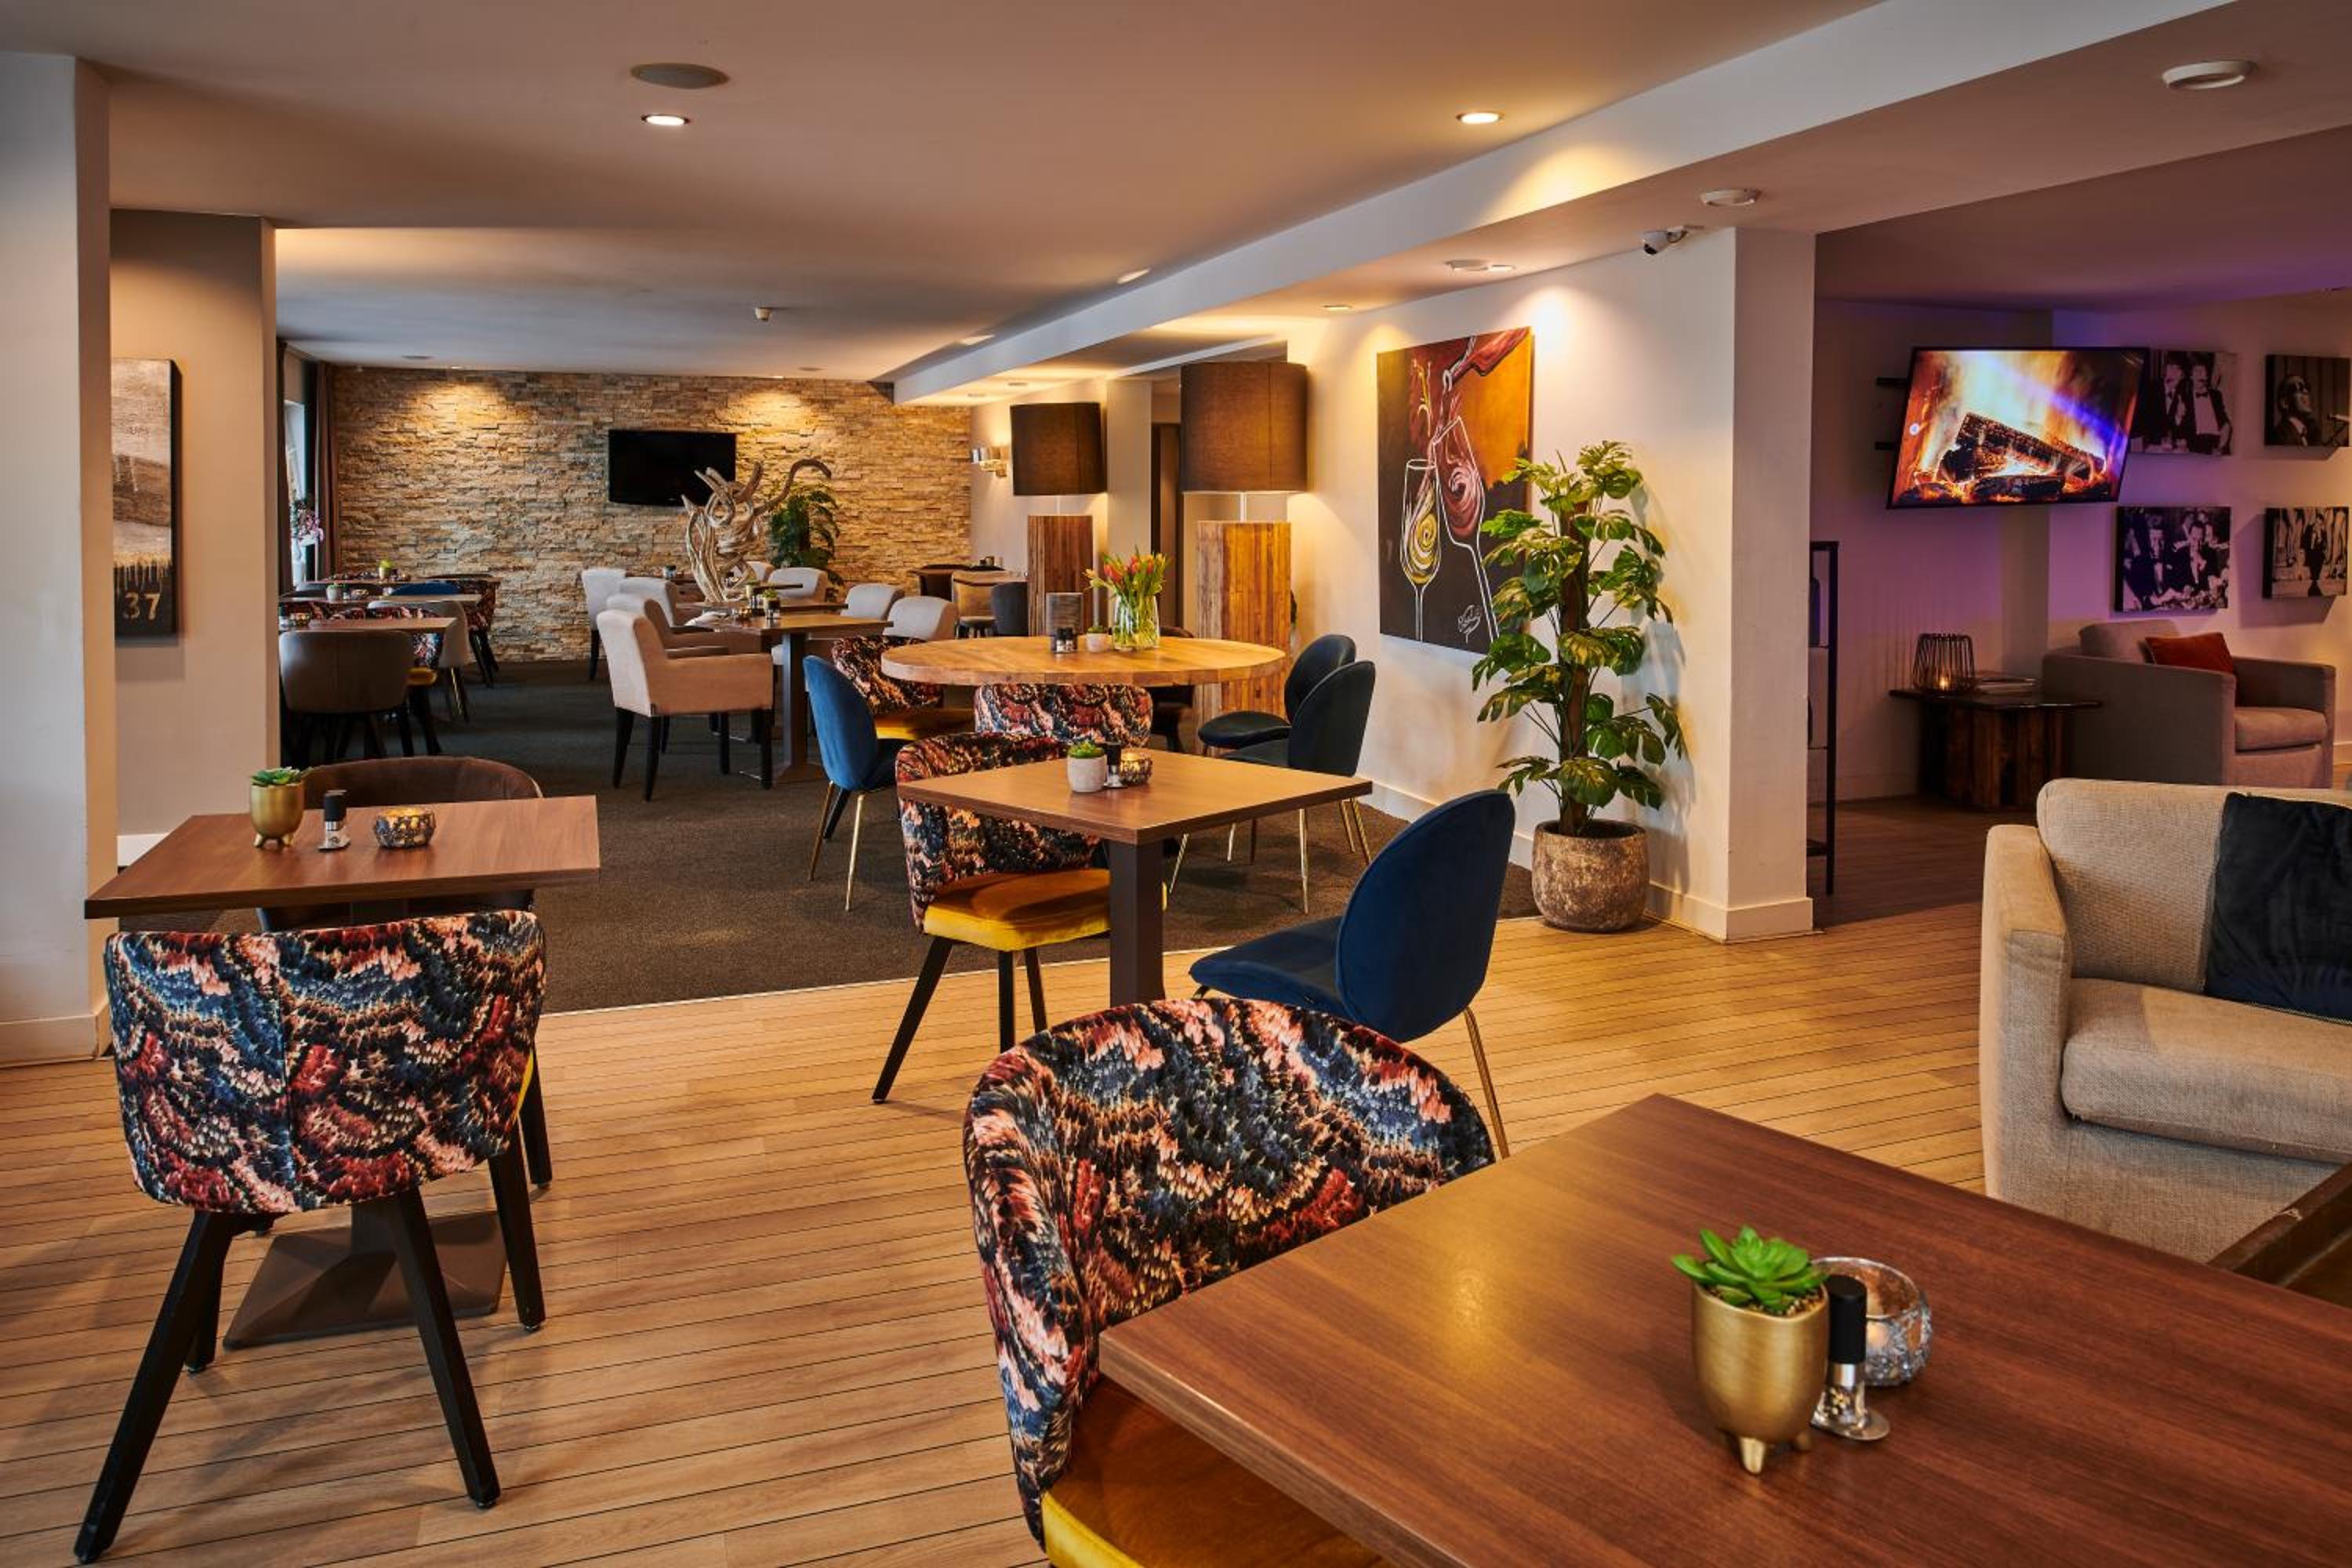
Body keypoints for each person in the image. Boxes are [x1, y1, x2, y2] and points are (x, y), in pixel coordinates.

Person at [2182, 357, 2232, 454]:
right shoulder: (2185, 397)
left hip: (2216, 443)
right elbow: (2181, 428)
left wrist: (2221, 445)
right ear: (2191, 376)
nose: (2200, 374)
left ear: (2207, 376)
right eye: (2196, 371)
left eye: (2203, 371)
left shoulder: (2216, 395)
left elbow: (2224, 420)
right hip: (2196, 445)